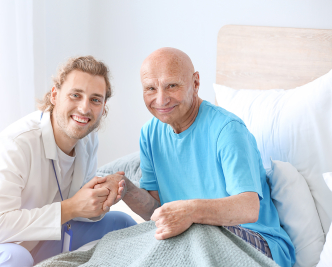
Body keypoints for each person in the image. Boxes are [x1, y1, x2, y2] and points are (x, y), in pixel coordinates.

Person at [98, 48, 296, 267]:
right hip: (193, 237)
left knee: (190, 238)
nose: (161, 99)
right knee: (120, 246)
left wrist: (190, 212)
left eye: (172, 85)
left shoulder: (227, 130)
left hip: (259, 243)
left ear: (195, 82)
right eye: (150, 89)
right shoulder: (150, 134)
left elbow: (248, 208)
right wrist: (125, 189)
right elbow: (157, 211)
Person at [0, 56, 136, 267]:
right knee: (14, 257)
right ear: (55, 95)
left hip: (38, 240)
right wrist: (70, 208)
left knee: (121, 223)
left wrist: (101, 197)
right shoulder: (17, 144)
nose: (85, 108)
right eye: (75, 95)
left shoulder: (88, 138)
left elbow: (79, 207)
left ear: (103, 106)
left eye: (95, 99)